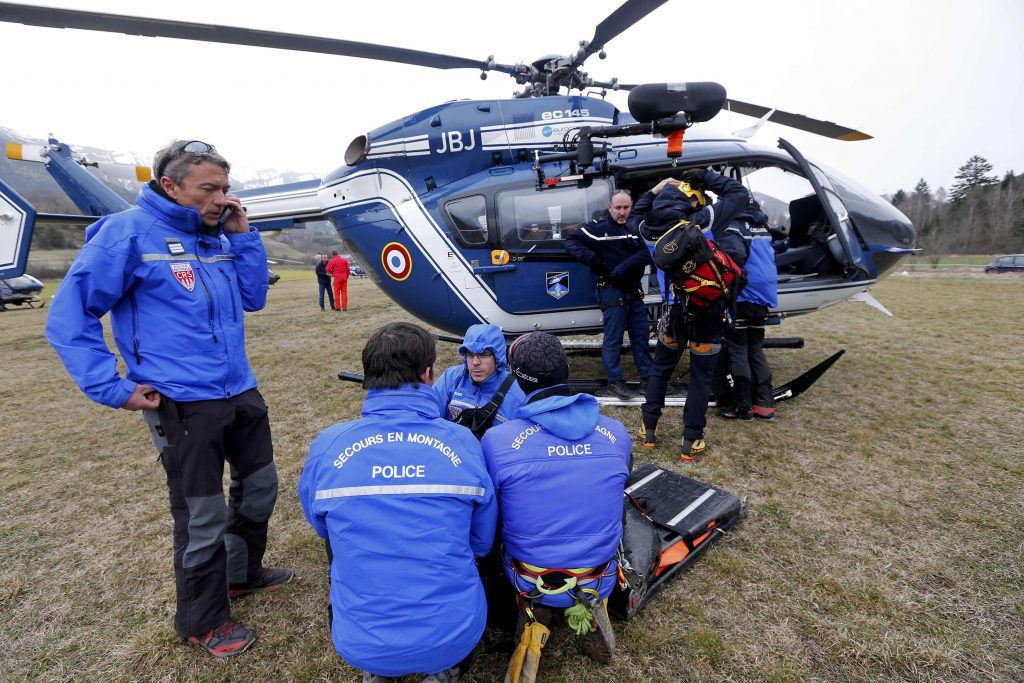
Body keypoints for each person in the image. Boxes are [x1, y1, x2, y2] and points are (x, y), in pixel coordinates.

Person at [45, 139, 292, 657]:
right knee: (200, 514)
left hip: (239, 389)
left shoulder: (220, 234)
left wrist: (244, 240)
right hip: (180, 403)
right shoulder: (126, 234)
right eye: (208, 189)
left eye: (225, 188)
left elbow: (254, 297)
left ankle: (243, 574)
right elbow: (69, 317)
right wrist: (112, 388)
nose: (221, 198)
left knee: (261, 487)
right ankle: (202, 620)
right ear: (170, 186)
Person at [299, 322, 498, 683]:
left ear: (368, 377)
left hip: (361, 641)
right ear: (427, 374)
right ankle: (444, 670)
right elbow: (481, 543)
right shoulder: (464, 443)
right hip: (452, 634)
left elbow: (322, 527)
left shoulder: (327, 446)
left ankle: (380, 669)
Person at [480, 332, 631, 675]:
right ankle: (590, 605)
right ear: (566, 371)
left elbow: (489, 521)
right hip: (597, 575)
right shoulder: (616, 433)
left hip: (527, 576)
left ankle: (532, 613)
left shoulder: (497, 441)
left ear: (516, 380)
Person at [638, 169, 752, 461]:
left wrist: (655, 189)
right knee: (700, 379)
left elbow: (637, 212)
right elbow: (739, 194)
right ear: (693, 201)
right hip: (708, 313)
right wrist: (705, 176)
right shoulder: (702, 221)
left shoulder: (647, 230)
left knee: (661, 370)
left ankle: (648, 430)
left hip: (675, 312)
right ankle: (691, 441)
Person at [565, 190, 653, 400]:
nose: (622, 212)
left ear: (631, 207)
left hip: (633, 290)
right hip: (611, 291)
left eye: (626, 207)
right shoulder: (598, 229)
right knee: (613, 340)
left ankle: (648, 379)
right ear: (610, 208)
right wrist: (594, 261)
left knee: (641, 337)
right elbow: (571, 241)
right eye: (618, 208)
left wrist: (623, 266)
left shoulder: (636, 228)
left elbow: (648, 252)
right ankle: (615, 382)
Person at [712, 177, 779, 421]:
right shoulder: (761, 227)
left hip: (743, 297)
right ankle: (765, 404)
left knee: (737, 349)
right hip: (763, 298)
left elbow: (733, 259)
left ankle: (742, 405)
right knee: (755, 349)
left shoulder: (733, 226)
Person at [434, 323, 526, 439]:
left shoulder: (517, 394)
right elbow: (429, 419)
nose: (475, 362)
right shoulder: (452, 378)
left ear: (498, 358)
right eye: (470, 355)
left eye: (483, 355)